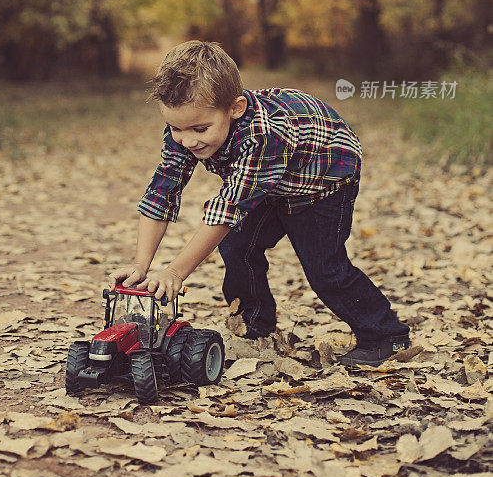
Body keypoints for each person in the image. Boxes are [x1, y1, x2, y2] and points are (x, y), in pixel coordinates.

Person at [108, 41, 410, 367]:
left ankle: (386, 337)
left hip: (323, 181)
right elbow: (162, 192)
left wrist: (174, 272)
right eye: (177, 128)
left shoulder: (263, 136)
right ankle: (255, 331)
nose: (188, 140)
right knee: (237, 247)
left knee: (325, 270)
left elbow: (227, 209)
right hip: (266, 186)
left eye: (200, 129)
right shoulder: (184, 132)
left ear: (235, 108)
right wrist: (141, 265)